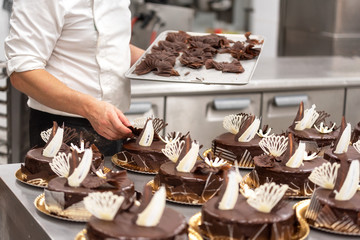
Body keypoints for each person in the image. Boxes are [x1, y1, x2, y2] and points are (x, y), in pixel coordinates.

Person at [4, 0, 144, 155]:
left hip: (115, 124)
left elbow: (110, 46)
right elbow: (22, 73)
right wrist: (90, 108)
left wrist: (160, 59)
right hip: (63, 129)